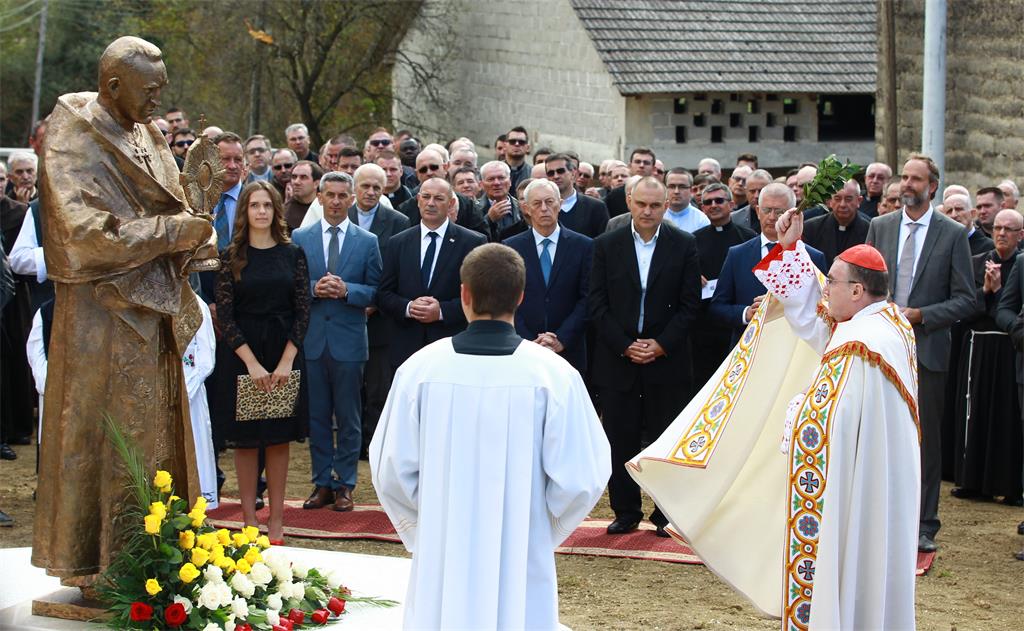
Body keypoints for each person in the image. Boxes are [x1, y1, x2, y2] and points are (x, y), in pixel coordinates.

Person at [630, 213, 920, 630]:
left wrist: (793, 411)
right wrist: (789, 249)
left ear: (857, 290)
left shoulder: (861, 343)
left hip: (859, 481)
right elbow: (815, 316)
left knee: (851, 565)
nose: (826, 290)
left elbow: (825, 419)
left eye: (833, 282)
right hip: (873, 476)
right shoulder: (884, 321)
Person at [33, 36, 214, 582]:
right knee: (103, 433)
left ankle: (158, 556)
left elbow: (173, 204)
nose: (159, 100)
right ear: (113, 86)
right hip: (100, 315)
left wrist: (194, 230)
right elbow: (80, 235)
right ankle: (97, 562)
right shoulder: (72, 137)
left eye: (162, 88)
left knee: (153, 431)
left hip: (151, 311)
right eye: (149, 90)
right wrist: (171, 232)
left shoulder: (149, 132)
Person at [370, 243, 610, 630]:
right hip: (521, 544)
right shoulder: (553, 375)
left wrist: (430, 522)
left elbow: (391, 467)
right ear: (521, 297)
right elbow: (582, 476)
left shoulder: (420, 369)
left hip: (443, 543)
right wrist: (540, 527)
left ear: (464, 294)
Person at [865, 153, 976, 552]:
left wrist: (922, 315)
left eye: (915, 179)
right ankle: (879, 516)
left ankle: (924, 523)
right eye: (904, 177)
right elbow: (864, 281)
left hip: (926, 350)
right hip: (880, 349)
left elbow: (966, 299)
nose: (907, 184)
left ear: (932, 187)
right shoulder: (880, 226)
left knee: (923, 439)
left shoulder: (951, 234)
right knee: (879, 434)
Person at [589, 176, 701, 537]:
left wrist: (661, 344)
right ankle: (625, 511)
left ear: (666, 205)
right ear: (629, 202)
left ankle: (665, 513)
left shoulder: (684, 244)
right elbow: (596, 303)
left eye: (655, 205)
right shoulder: (606, 245)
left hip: (666, 360)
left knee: (665, 439)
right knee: (619, 438)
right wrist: (625, 345)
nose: (648, 211)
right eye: (641, 204)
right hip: (618, 358)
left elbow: (690, 305)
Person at [212, 180, 311, 543]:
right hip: (243, 355)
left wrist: (286, 361)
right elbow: (226, 316)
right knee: (247, 440)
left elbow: (303, 310)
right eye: (254, 205)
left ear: (276, 210)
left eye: (267, 205)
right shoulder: (230, 256)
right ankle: (250, 519)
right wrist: (252, 364)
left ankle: (277, 519)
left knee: (279, 439)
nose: (261, 211)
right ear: (245, 211)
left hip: (285, 352)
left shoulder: (293, 254)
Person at [292, 172, 382, 511]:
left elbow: (376, 290)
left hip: (349, 342)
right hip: (313, 340)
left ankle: (345, 483)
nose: (335, 201)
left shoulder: (367, 241)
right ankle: (321, 483)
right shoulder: (301, 237)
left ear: (351, 199)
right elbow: (291, 285)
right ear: (319, 197)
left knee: (348, 417)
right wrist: (314, 288)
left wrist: (347, 290)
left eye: (342, 196)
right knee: (317, 416)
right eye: (330, 195)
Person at [951, 209, 1023, 504]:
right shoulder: (976, 262)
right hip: (978, 347)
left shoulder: (1019, 264)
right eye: (997, 228)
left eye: (1008, 229)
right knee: (975, 413)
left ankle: (1008, 484)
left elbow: (1009, 308)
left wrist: (1000, 291)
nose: (1001, 233)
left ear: (1020, 235)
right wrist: (985, 291)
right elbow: (962, 307)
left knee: (1007, 417)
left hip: (1010, 349)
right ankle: (973, 481)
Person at [377, 177, 486, 369]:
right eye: (426, 197)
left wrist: (442, 311)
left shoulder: (472, 242)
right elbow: (384, 294)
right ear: (418, 200)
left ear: (451, 204)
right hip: (406, 347)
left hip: (452, 345)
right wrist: (409, 307)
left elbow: (480, 296)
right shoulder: (398, 242)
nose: (431, 203)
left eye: (438, 198)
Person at [711, 183, 826, 345]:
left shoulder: (812, 257)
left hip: (792, 346)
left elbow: (823, 308)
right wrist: (746, 313)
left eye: (779, 212)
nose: (772, 217)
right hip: (748, 346)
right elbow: (718, 306)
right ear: (758, 211)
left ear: (793, 214)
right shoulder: (737, 254)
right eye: (766, 210)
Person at [503, 179, 593, 373]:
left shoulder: (584, 246)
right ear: (526, 208)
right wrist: (528, 341)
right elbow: (506, 299)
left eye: (549, 202)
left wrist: (562, 338)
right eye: (537, 203)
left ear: (560, 204)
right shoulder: (510, 247)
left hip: (570, 350)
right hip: (523, 350)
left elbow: (588, 298)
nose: (544, 208)